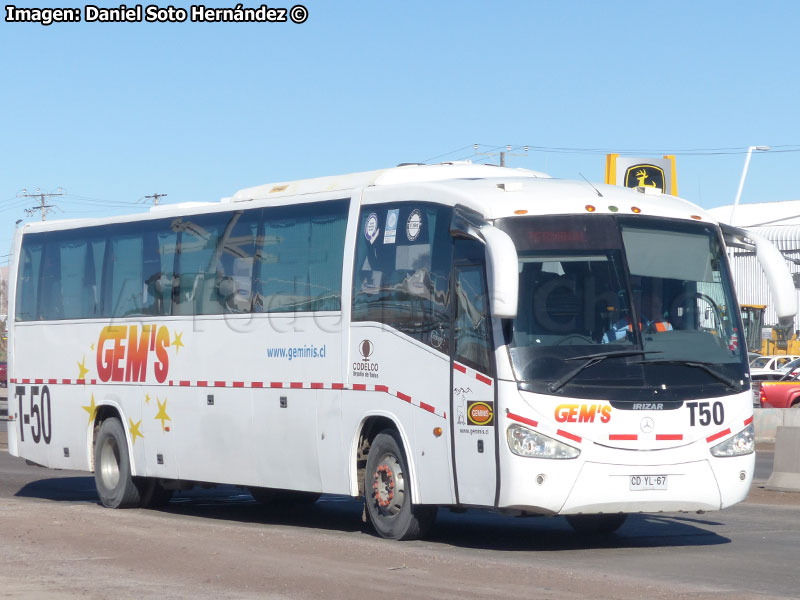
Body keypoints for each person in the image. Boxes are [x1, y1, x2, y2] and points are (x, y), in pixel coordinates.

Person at [602, 284, 672, 343]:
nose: (658, 309)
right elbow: (605, 342)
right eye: (654, 306)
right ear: (644, 305)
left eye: (659, 306)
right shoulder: (627, 324)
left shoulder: (666, 325)